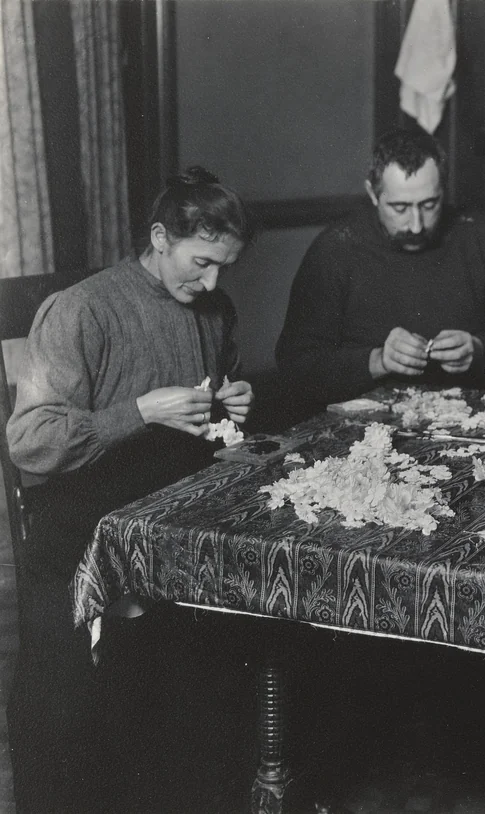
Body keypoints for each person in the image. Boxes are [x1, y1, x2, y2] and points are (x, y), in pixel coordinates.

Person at [5, 166, 255, 812]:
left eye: (224, 267)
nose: (211, 283)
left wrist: (230, 405)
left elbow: (213, 421)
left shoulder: (214, 310)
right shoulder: (81, 310)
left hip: (168, 524)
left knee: (201, 705)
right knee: (72, 734)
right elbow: (30, 441)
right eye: (200, 262)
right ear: (159, 238)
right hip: (78, 534)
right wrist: (139, 411)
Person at [275, 126, 485, 408]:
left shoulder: (481, 237)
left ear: (444, 190)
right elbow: (296, 368)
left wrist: (480, 350)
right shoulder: (335, 249)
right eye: (400, 208)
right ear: (372, 193)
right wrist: (376, 361)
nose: (416, 225)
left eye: (430, 204)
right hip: (365, 430)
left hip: (467, 417)